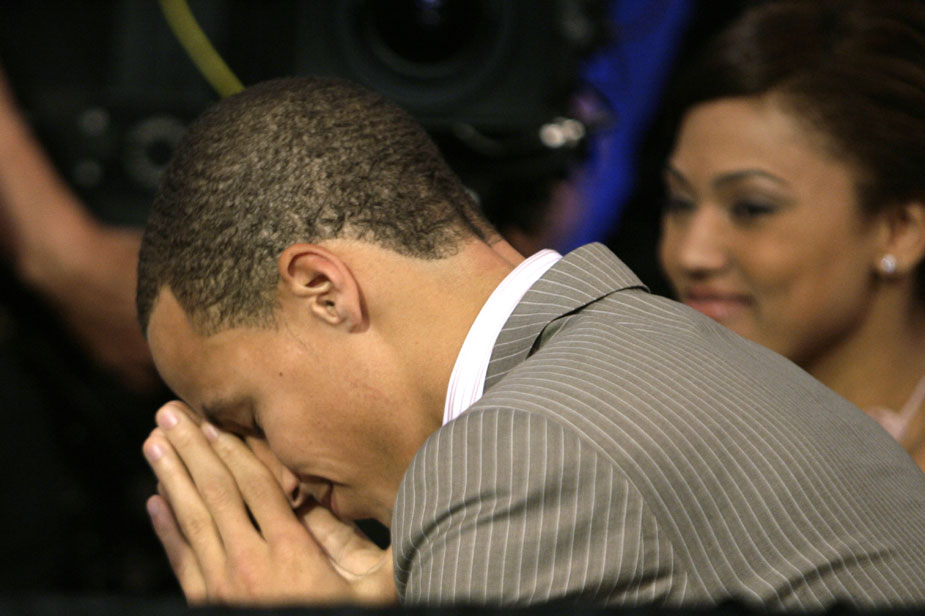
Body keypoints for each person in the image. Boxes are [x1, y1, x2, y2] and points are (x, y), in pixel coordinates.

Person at [137, 76, 925, 609]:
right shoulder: (655, 358)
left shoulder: (514, 454)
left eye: (247, 419)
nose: (277, 484)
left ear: (324, 290)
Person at [657, 0, 925, 470]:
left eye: (751, 208)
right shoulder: (650, 440)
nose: (691, 253)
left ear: (900, 230)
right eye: (680, 202)